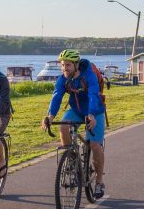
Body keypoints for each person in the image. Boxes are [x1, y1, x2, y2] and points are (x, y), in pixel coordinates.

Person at [42, 49, 107, 198]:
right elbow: (57, 97)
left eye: (68, 65)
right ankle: (71, 158)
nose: (65, 68)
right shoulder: (63, 79)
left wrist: (91, 114)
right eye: (63, 65)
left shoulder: (88, 76)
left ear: (76, 65)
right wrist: (50, 116)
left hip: (95, 111)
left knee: (95, 145)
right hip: (76, 110)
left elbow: (93, 95)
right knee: (63, 126)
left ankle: (99, 182)